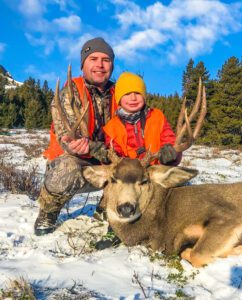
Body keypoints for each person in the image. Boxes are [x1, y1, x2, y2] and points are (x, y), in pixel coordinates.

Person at [34, 37, 117, 236]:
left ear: (112, 66)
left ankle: (106, 208)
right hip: (77, 161)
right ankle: (49, 211)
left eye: (106, 60)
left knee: (133, 166)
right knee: (66, 168)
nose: (99, 64)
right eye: (93, 58)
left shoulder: (122, 95)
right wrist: (76, 146)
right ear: (83, 65)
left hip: (109, 161)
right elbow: (68, 139)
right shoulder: (70, 93)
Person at [103, 72, 182, 165]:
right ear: (119, 99)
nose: (133, 98)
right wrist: (114, 156)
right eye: (127, 94)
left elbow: (168, 138)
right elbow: (113, 148)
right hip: (127, 172)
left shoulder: (157, 117)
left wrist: (169, 150)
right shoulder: (112, 126)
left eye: (137, 93)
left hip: (155, 169)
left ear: (144, 97)